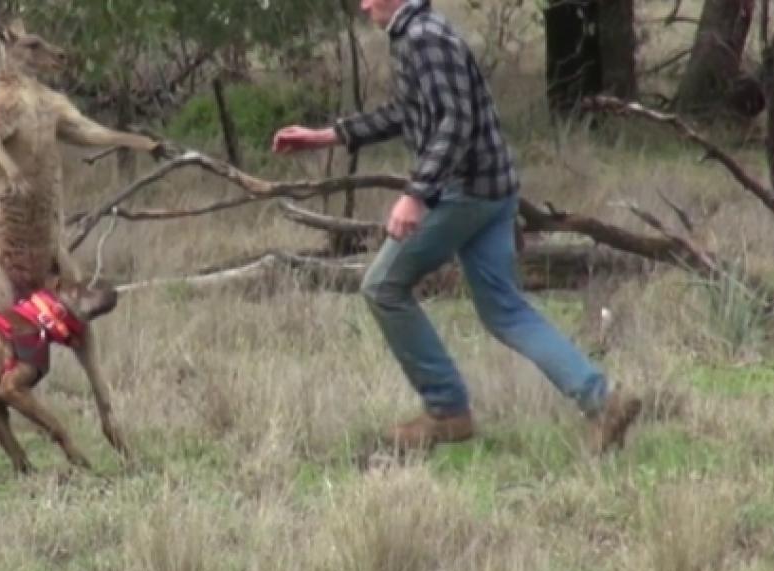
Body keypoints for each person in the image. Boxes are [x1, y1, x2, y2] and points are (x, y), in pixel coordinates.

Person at [271, 0, 642, 455]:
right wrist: (328, 136)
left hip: (464, 193)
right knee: (505, 309)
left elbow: (455, 122)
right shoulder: (420, 33)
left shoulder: (424, 38)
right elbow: (410, 111)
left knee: (382, 286)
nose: (363, 4)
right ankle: (603, 401)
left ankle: (446, 410)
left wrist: (417, 194)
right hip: (492, 191)